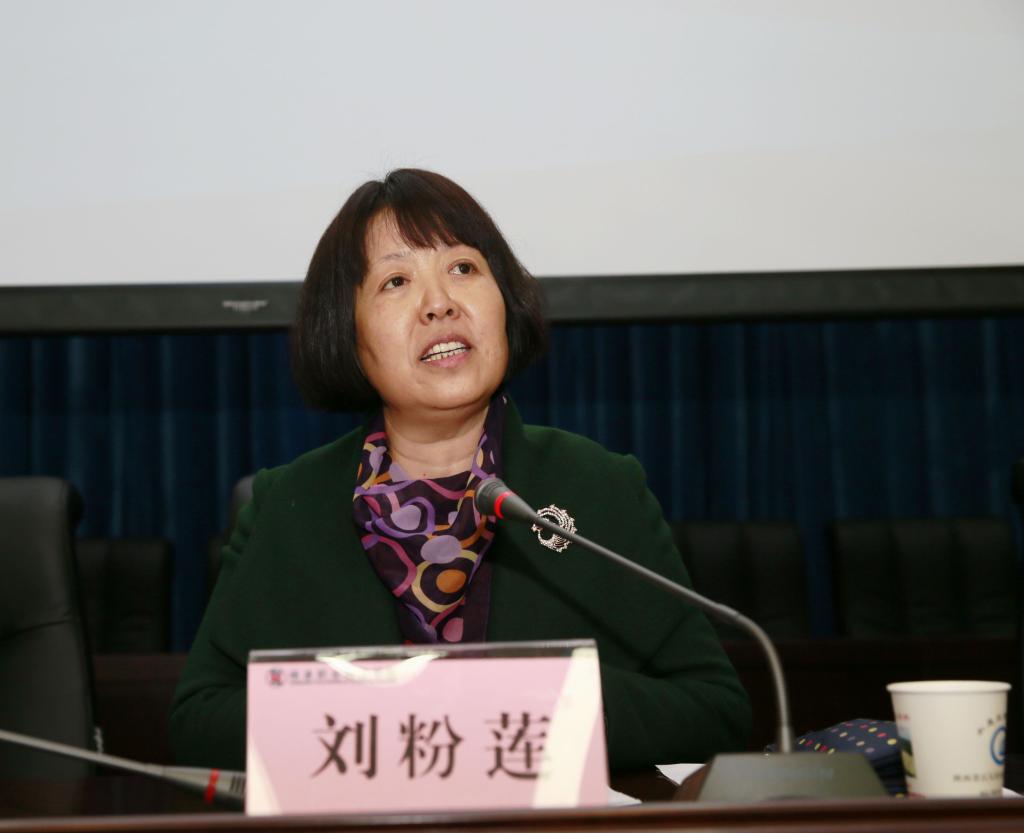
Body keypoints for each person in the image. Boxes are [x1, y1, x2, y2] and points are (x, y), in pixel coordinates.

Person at [170, 169, 751, 772]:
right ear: (347, 332)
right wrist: (387, 717)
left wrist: (536, 705)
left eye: (463, 268)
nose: (439, 302)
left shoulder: (599, 485)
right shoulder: (286, 504)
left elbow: (715, 709)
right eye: (396, 281)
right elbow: (199, 721)